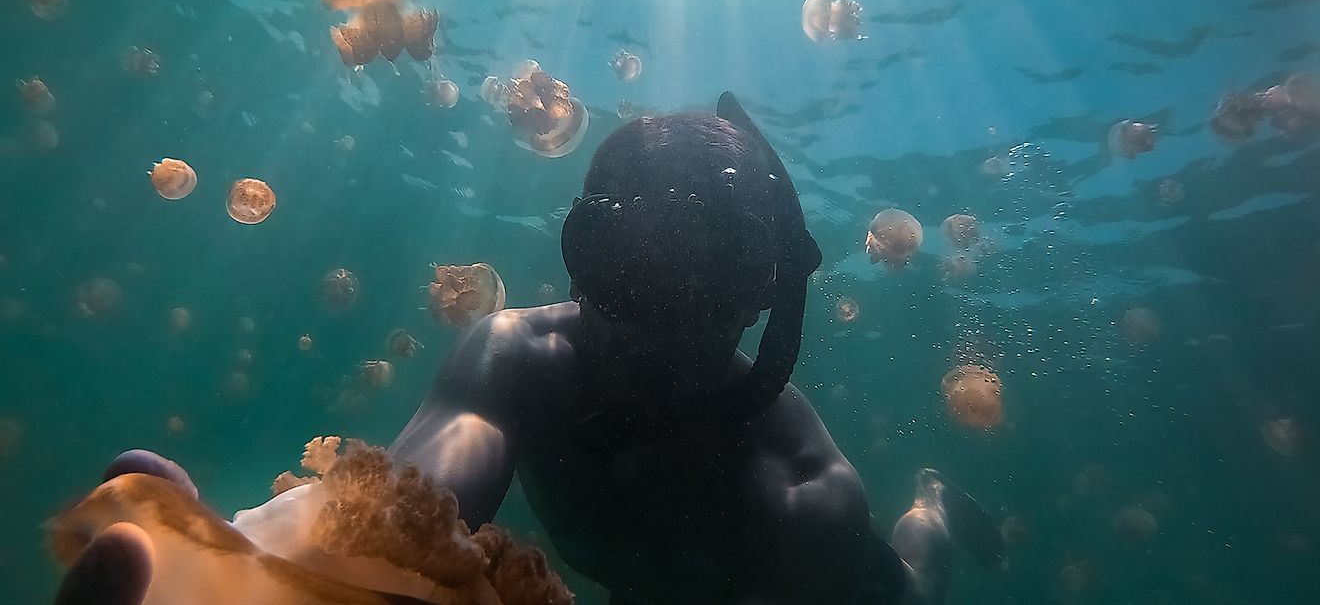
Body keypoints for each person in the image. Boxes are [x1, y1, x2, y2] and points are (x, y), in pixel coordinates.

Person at [60, 93, 1000, 605]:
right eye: (625, 262)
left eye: (707, 275)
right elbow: (407, 504)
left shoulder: (804, 498)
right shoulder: (518, 358)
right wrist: (229, 567)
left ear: (764, 296)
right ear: (579, 255)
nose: (655, 324)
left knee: (913, 581)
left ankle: (930, 511)